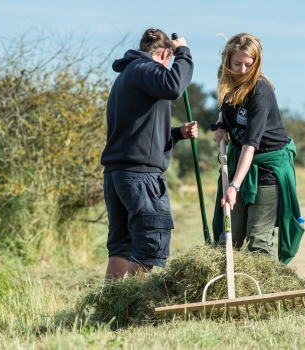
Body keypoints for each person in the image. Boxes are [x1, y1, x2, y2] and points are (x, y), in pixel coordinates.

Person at [101, 28, 198, 281]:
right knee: (150, 243)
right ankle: (130, 306)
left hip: (118, 174)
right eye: (171, 58)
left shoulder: (127, 75)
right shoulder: (145, 69)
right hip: (140, 177)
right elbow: (174, 86)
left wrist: (177, 133)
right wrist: (185, 54)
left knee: (123, 245)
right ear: (166, 53)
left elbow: (140, 129)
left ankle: (110, 308)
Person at [212, 33, 304, 265]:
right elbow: (226, 105)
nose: (242, 70)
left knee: (258, 243)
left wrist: (233, 185)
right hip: (243, 161)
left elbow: (250, 145)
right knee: (229, 240)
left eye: (248, 65)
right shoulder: (227, 81)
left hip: (268, 167)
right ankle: (225, 295)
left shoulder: (260, 92)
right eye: (237, 63)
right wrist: (221, 124)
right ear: (227, 61)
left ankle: (268, 294)